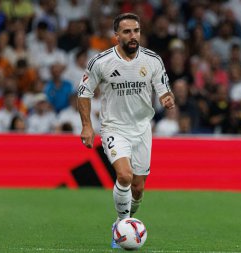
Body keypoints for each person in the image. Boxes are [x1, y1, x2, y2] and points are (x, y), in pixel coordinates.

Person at [77, 13, 175, 249]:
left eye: (136, 31)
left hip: (142, 129)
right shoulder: (101, 62)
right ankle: (122, 226)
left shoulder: (152, 60)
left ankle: (127, 218)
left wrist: (167, 98)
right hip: (114, 128)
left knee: (138, 188)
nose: (133, 36)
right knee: (124, 176)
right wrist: (87, 126)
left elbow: (163, 89)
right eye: (127, 32)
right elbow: (84, 92)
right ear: (116, 36)